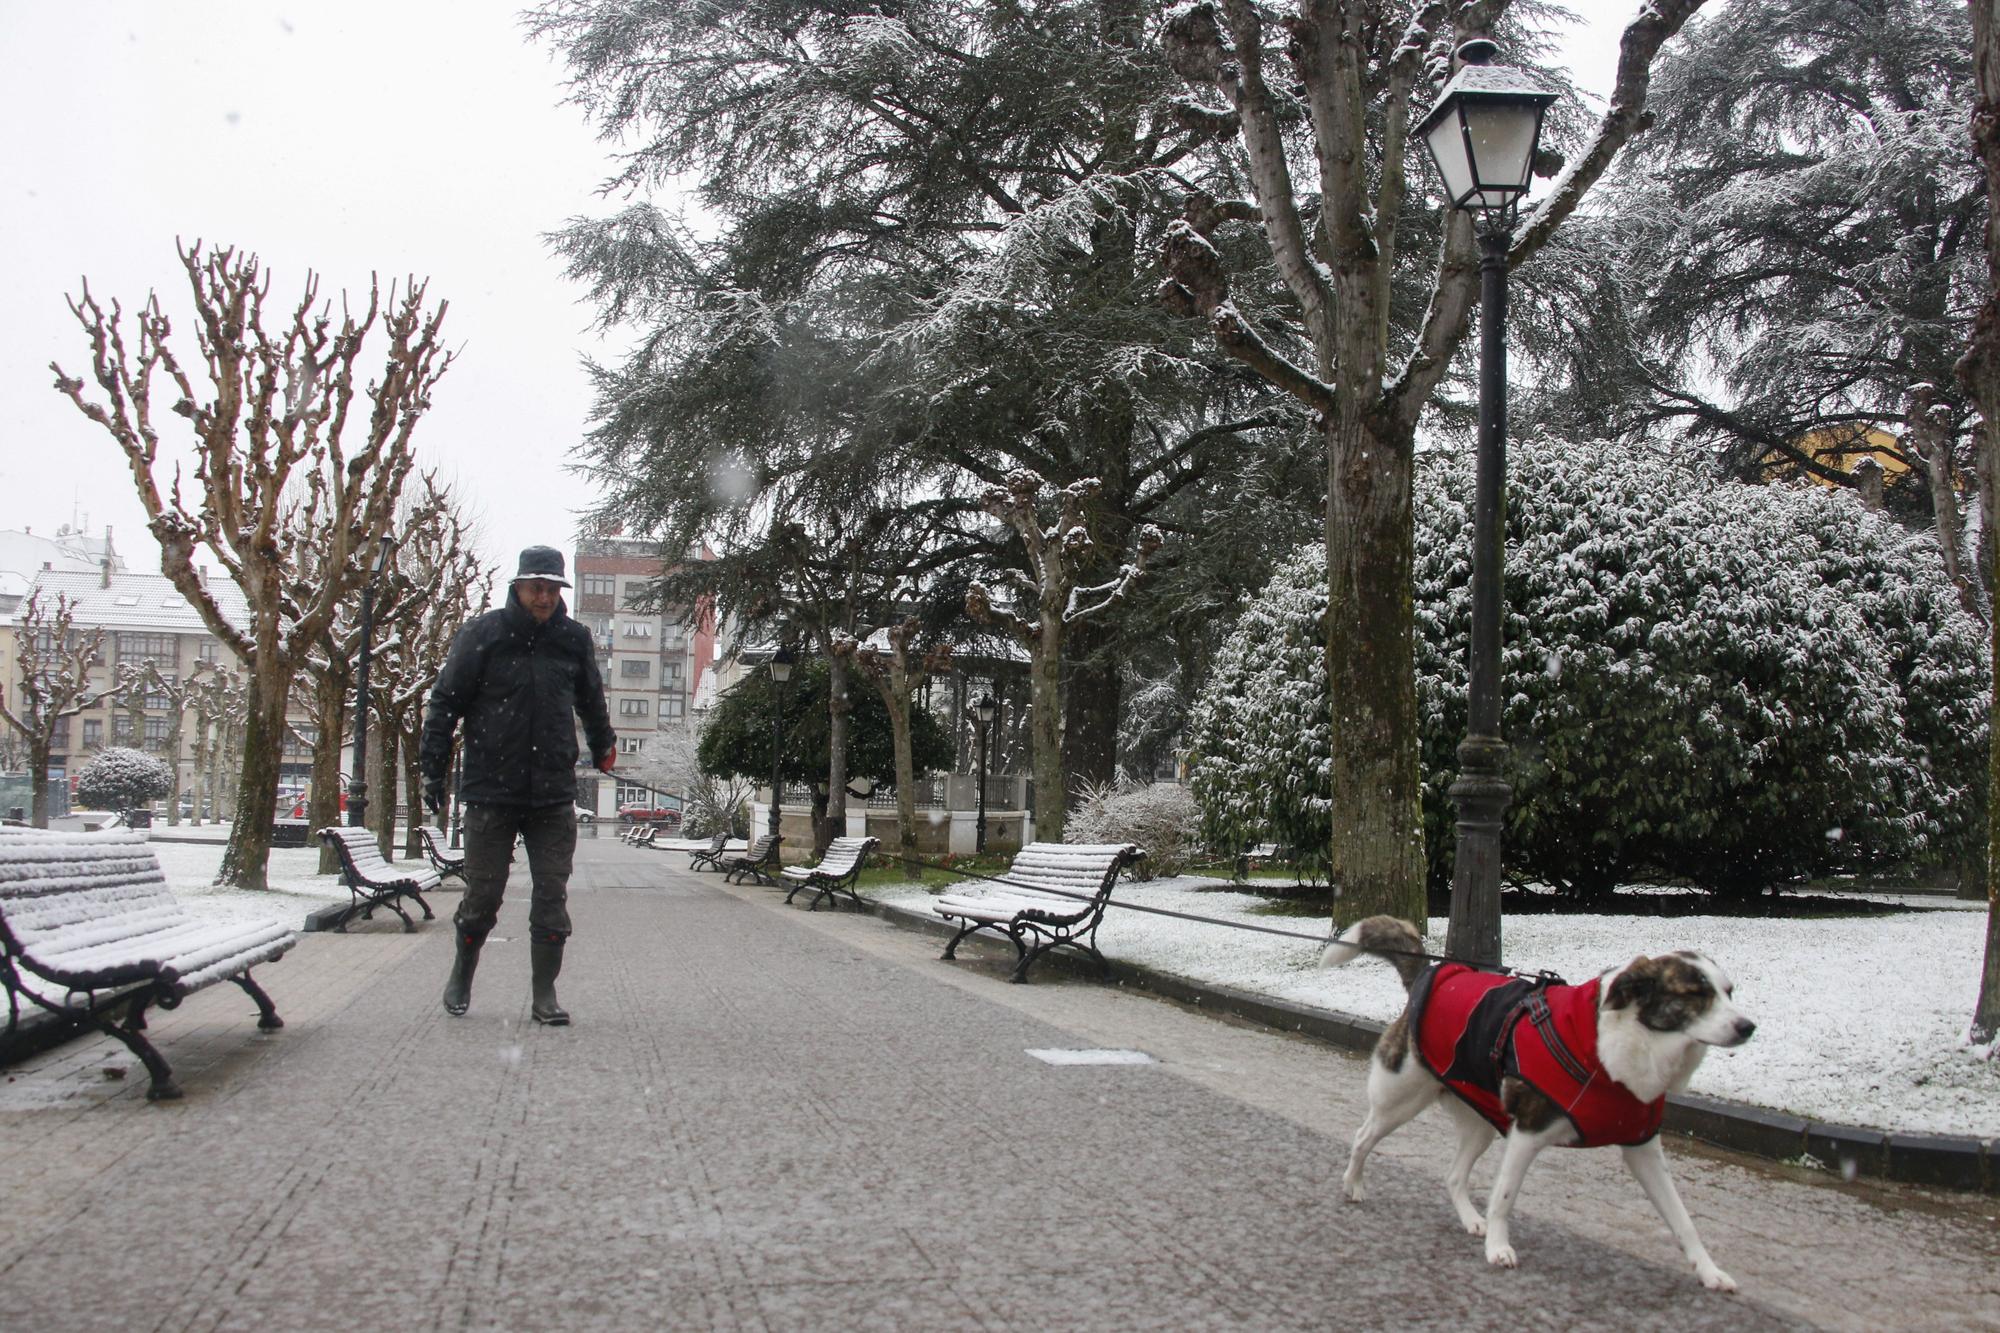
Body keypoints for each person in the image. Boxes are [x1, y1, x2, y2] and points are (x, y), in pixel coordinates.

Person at [419, 545, 616, 1025]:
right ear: (518, 587)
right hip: (491, 788)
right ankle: (462, 972)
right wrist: (433, 767)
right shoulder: (483, 634)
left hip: (552, 791)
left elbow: (591, 699)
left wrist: (603, 745)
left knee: (552, 894)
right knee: (484, 894)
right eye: (536, 588)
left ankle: (544, 993)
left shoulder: (573, 639)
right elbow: (445, 702)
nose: (544, 597)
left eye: (552, 589)